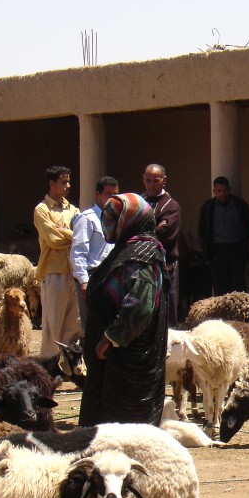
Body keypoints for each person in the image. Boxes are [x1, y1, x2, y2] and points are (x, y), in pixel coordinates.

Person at [79, 193, 168, 426]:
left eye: (112, 219)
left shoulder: (143, 257)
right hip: (109, 364)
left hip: (130, 367)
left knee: (124, 435)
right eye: (104, 218)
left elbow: (141, 306)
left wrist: (110, 338)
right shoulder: (123, 251)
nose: (105, 224)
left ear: (129, 221)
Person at [33, 165, 81, 358]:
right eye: (64, 182)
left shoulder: (73, 209)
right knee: (53, 322)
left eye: (69, 181)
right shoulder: (42, 210)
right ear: (52, 184)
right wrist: (73, 235)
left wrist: (66, 233)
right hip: (54, 271)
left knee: (73, 322)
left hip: (74, 271)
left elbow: (82, 235)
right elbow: (53, 240)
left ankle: (69, 363)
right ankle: (50, 364)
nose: (68, 185)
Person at [70, 176, 119, 327]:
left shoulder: (115, 218)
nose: (112, 198)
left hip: (110, 275)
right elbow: (78, 251)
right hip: (92, 275)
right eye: (108, 194)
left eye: (115, 194)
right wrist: (84, 280)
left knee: (108, 323)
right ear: (97, 195)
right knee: (92, 324)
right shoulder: (87, 218)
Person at [198, 175, 249, 296]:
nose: (222, 194)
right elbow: (202, 228)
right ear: (214, 191)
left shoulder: (239, 205)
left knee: (238, 285)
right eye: (218, 191)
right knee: (219, 285)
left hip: (236, 249)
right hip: (216, 250)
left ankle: (238, 313)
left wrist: (243, 239)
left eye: (224, 190)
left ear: (229, 189)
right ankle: (221, 313)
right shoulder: (208, 207)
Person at [141, 164, 182, 325]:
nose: (151, 185)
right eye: (148, 180)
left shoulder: (171, 206)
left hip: (164, 267)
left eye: (155, 181)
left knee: (166, 307)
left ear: (164, 181)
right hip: (140, 266)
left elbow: (163, 233)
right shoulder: (139, 202)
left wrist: (140, 234)